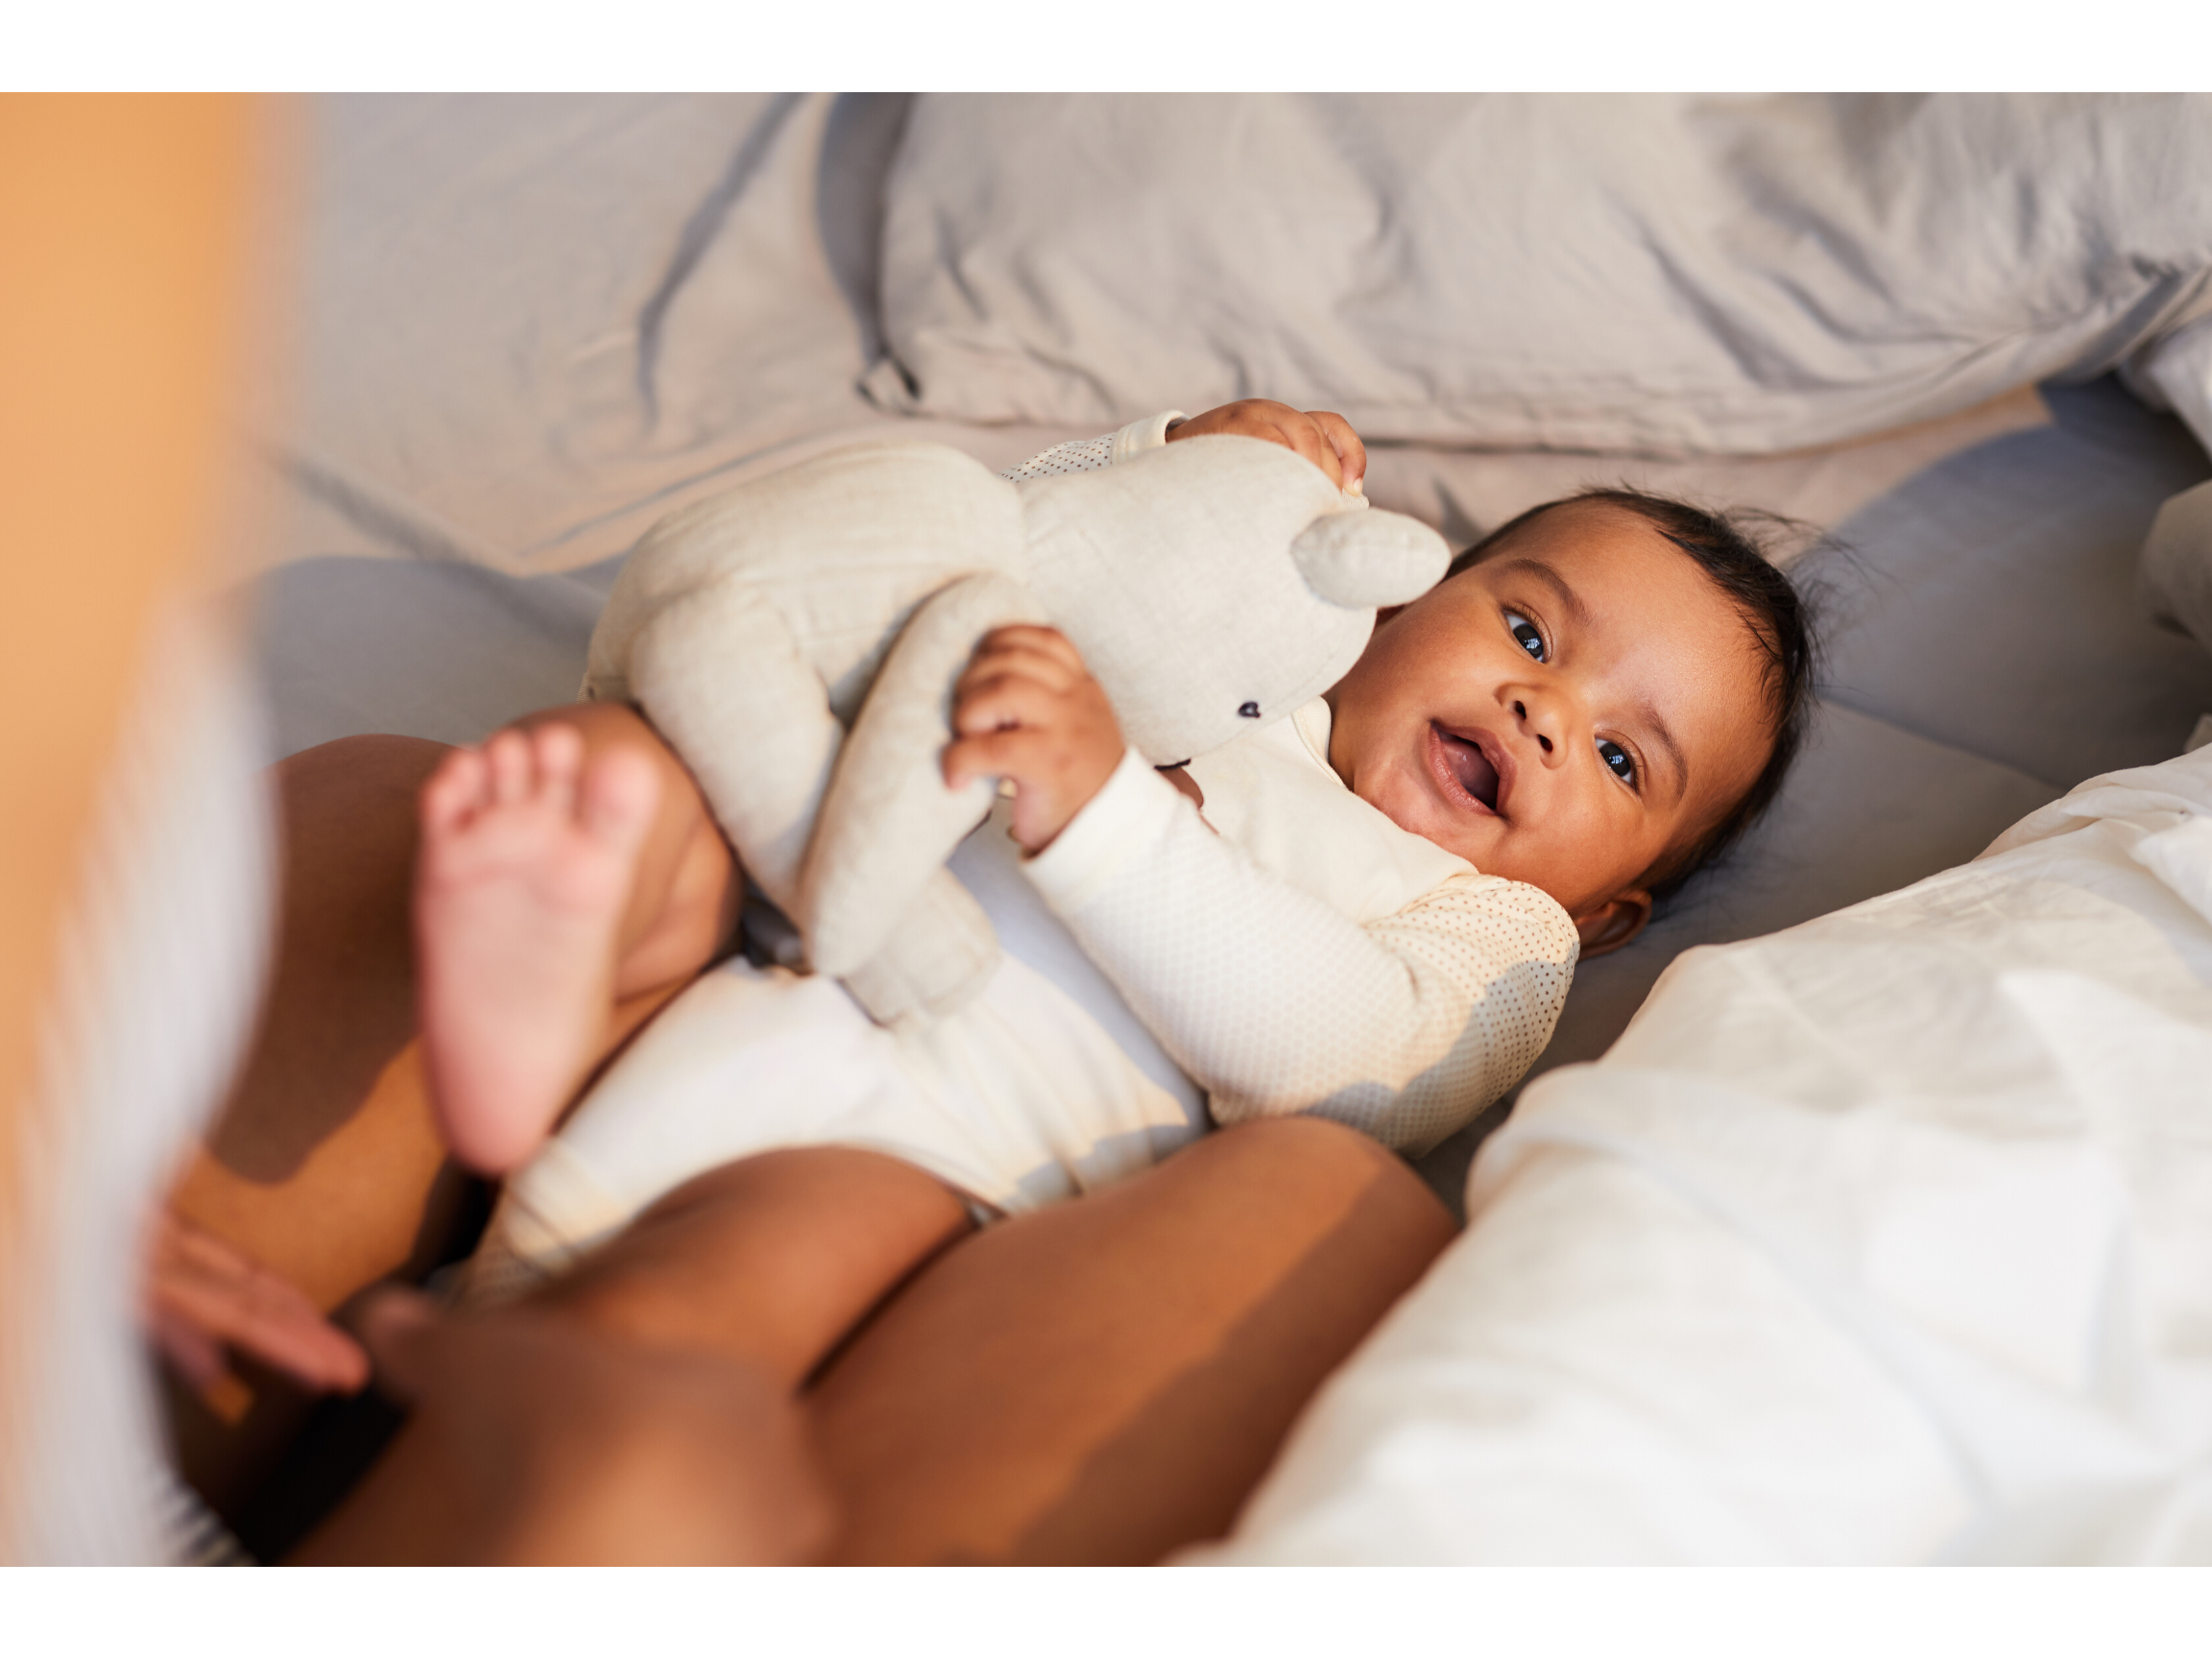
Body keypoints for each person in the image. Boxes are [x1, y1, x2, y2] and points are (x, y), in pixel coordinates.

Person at [159, 398, 1815, 1562]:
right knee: (621, 799)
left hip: (929, 1152)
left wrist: (1101, 820)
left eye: (1618, 752)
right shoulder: (1246, 682)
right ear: (1399, 589)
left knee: (712, 1296)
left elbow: (1342, 1064)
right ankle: (538, 954)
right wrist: (1191, 465)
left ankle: (536, 1421)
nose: (1545, 711)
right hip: (776, 941)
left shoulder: (1492, 938)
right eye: (1529, 633)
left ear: (1615, 912)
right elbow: (1013, 562)